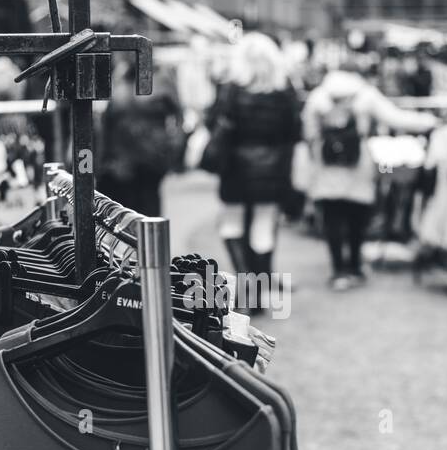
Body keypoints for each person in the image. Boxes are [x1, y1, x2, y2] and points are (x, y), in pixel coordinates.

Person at [302, 63, 437, 290]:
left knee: (332, 218)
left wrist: (315, 157)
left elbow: (308, 132)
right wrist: (430, 122)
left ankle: (338, 269)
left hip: (326, 166)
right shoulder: (365, 95)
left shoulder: (318, 97)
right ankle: (355, 266)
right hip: (358, 165)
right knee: (357, 217)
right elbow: (396, 118)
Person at [204, 32, 302, 314]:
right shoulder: (285, 91)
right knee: (263, 229)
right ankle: (258, 296)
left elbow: (214, 123)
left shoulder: (232, 89)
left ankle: (245, 293)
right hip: (274, 169)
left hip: (235, 168)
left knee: (231, 225)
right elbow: (294, 132)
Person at [98, 58, 185, 217]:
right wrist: (106, 156)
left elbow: (178, 113)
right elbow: (108, 118)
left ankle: (149, 240)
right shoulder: (120, 75)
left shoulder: (161, 76)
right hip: (121, 158)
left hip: (152, 156)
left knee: (148, 210)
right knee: (122, 212)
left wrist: (174, 144)